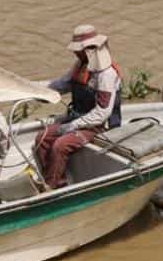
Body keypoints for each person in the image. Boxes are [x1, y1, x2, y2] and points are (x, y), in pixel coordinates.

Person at [36, 24, 123, 189]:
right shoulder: (80, 66)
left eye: (78, 50)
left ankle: (53, 186)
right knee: (42, 137)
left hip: (100, 126)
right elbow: (61, 85)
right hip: (79, 118)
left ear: (89, 49)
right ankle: (50, 176)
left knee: (60, 145)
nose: (75, 53)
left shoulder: (106, 75)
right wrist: (34, 89)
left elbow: (102, 113)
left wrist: (71, 126)